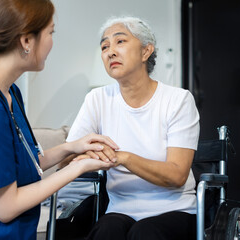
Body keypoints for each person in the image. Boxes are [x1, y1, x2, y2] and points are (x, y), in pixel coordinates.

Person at [0, 0, 117, 239]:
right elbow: (5, 207)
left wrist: (72, 147)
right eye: (50, 33)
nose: (52, 43)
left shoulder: (9, 93)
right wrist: (79, 167)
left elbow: (23, 163)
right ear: (26, 41)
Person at [65, 16, 200, 240]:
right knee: (105, 231)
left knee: (145, 233)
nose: (110, 52)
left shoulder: (178, 100)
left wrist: (123, 158)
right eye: (104, 46)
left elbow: (176, 175)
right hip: (121, 208)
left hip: (174, 209)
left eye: (120, 41)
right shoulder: (98, 99)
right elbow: (68, 156)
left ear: (146, 52)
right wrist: (84, 150)